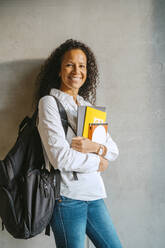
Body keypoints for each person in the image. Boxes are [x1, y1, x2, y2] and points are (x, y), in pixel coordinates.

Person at [34, 39, 123, 248]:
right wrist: (97, 162)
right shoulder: (49, 103)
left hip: (94, 195)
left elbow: (113, 150)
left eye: (82, 66)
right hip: (67, 198)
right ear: (59, 70)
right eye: (69, 65)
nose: (77, 71)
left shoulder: (87, 106)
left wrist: (95, 148)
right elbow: (60, 158)